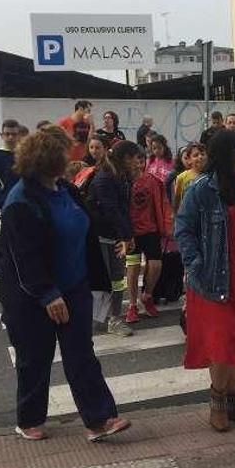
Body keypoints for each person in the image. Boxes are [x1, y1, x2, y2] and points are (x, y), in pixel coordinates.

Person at [0, 126, 130, 441]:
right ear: (46, 161)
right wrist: (47, 294)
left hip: (74, 286)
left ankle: (99, 420)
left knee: (81, 353)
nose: (72, 157)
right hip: (31, 295)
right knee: (34, 357)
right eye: (64, 154)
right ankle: (29, 418)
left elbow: (85, 229)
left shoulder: (65, 189)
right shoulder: (21, 200)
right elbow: (23, 257)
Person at [175, 129, 235, 432]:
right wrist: (196, 265)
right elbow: (183, 229)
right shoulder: (203, 187)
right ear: (231, 154)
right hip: (216, 279)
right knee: (222, 344)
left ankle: (233, 399)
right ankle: (218, 401)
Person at [89, 141, 140, 337]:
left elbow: (124, 210)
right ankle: (96, 318)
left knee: (118, 280)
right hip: (101, 237)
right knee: (103, 280)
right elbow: (111, 211)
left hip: (116, 237)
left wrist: (128, 235)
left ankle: (114, 319)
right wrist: (126, 235)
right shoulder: (105, 177)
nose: (137, 163)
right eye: (135, 159)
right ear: (126, 158)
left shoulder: (122, 176)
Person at [126, 148, 172, 324]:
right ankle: (131, 305)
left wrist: (164, 227)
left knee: (155, 264)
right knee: (133, 268)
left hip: (150, 229)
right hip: (131, 232)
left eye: (140, 160)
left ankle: (147, 295)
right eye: (134, 159)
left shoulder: (152, 181)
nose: (137, 163)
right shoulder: (123, 181)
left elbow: (161, 204)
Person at [0, 119, 21, 221]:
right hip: (5, 204)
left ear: (19, 135)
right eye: (7, 134)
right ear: (1, 135)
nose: (10, 137)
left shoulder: (25, 155)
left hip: (25, 203)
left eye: (14, 134)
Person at [172, 143, 208, 212]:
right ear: (189, 160)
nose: (200, 157)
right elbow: (177, 198)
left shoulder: (211, 176)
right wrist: (175, 214)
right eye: (195, 155)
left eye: (203, 154)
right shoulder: (181, 177)